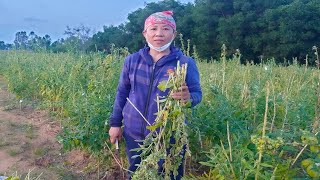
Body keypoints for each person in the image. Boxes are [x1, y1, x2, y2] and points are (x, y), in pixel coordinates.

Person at [108, 10, 202, 179]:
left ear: (174, 33)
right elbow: (122, 93)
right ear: (145, 33)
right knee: (136, 173)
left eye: (166, 29)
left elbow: (197, 95)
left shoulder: (185, 63)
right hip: (134, 133)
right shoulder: (132, 61)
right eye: (153, 29)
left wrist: (188, 98)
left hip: (168, 136)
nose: (159, 33)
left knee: (168, 174)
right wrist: (115, 124)